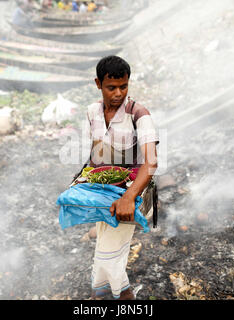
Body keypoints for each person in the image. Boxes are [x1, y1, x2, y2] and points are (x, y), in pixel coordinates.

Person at [85, 56, 159, 300]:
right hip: (103, 191)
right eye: (111, 87)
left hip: (132, 193)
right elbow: (95, 153)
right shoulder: (93, 111)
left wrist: (129, 197)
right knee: (106, 248)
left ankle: (120, 296)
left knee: (109, 253)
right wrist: (83, 184)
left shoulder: (139, 114)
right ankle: (106, 293)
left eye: (123, 86)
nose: (118, 93)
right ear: (98, 84)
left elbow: (151, 162)